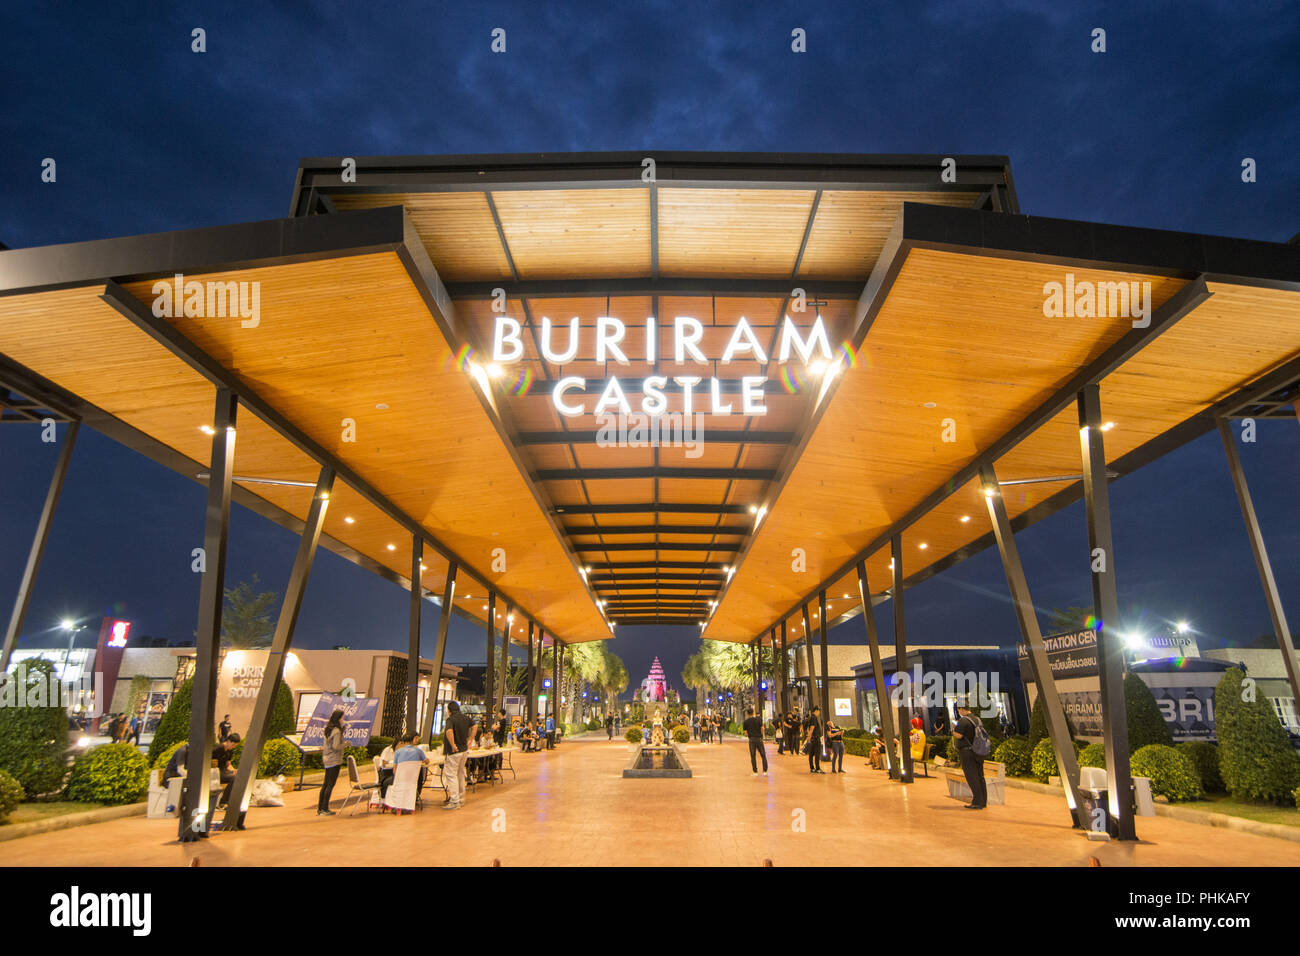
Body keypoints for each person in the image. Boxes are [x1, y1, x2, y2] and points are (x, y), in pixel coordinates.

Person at [953, 703, 987, 810]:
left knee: (972, 777)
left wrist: (953, 730)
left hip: (968, 752)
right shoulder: (976, 719)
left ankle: (977, 802)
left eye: (959, 710)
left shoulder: (963, 720)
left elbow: (959, 735)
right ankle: (983, 800)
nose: (959, 712)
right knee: (980, 776)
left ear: (962, 709)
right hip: (978, 751)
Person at [442, 701, 472, 810]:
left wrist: (453, 744)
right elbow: (475, 726)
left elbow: (449, 731)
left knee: (451, 775)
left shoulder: (451, 719)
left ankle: (454, 801)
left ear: (449, 710)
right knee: (460, 773)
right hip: (464, 750)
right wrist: (470, 740)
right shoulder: (465, 718)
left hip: (454, 752)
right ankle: (461, 798)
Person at [317, 709, 346, 816]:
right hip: (334, 760)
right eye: (342, 717)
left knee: (325, 784)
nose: (343, 720)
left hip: (327, 759)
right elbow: (336, 746)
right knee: (330, 784)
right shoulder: (337, 731)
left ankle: (320, 808)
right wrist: (346, 744)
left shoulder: (328, 729)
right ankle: (325, 808)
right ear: (338, 718)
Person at [212, 732, 240, 810]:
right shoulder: (217, 749)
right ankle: (223, 802)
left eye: (235, 745)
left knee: (239, 776)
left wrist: (234, 770)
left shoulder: (230, 751)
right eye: (233, 745)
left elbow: (228, 765)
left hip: (224, 771)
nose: (234, 747)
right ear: (228, 741)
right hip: (215, 772)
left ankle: (233, 801)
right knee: (234, 778)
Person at [742, 707, 768, 775]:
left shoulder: (746, 722)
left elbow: (745, 732)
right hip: (759, 738)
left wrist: (749, 736)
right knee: (763, 754)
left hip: (752, 740)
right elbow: (762, 728)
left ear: (747, 714)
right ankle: (765, 771)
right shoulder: (758, 720)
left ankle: (755, 771)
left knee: (753, 756)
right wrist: (761, 735)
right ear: (753, 713)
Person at [803, 706, 824, 773]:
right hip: (815, 738)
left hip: (812, 738)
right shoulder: (814, 718)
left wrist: (809, 737)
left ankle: (812, 768)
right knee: (817, 754)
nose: (819, 713)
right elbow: (812, 728)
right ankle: (817, 768)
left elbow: (807, 728)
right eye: (819, 711)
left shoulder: (810, 718)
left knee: (811, 754)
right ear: (816, 710)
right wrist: (809, 736)